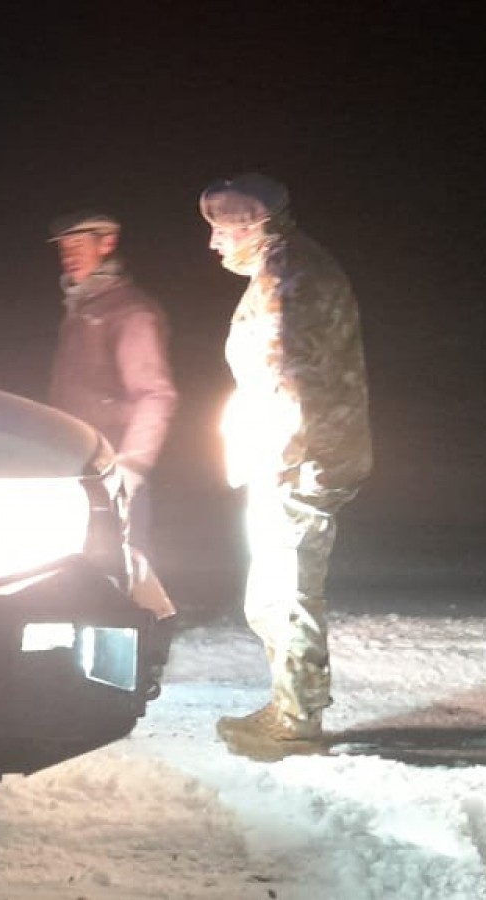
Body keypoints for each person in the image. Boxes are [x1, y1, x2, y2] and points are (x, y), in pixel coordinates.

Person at [202, 174, 373, 758]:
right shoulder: (295, 267)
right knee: (279, 590)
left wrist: (274, 462)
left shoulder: (288, 279)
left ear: (254, 226)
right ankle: (291, 706)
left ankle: (297, 723)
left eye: (222, 231)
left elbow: (289, 382)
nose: (214, 244)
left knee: (285, 591)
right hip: (308, 453)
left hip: (299, 461)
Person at [46, 211, 177, 556]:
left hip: (112, 460)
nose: (68, 255)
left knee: (122, 560)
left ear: (107, 243)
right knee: (78, 559)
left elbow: (155, 395)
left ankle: (142, 609)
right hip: (74, 457)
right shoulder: (83, 306)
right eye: (63, 247)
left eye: (78, 244)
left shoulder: (130, 312)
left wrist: (132, 464)